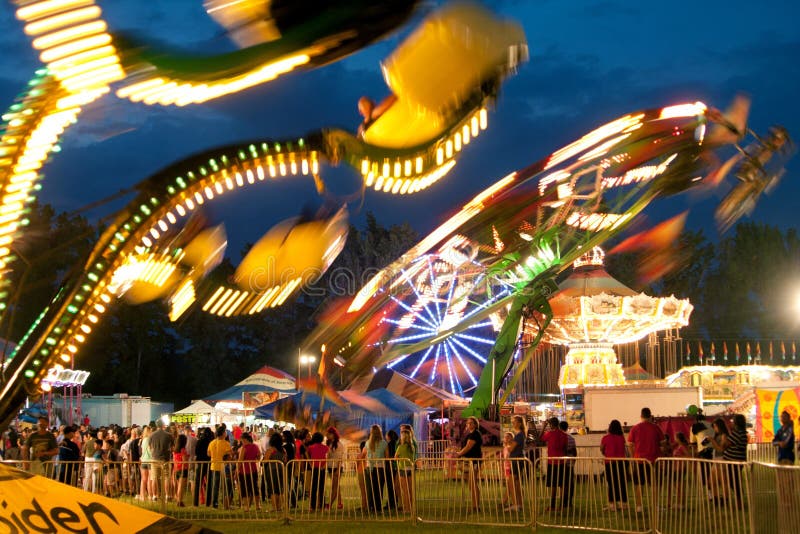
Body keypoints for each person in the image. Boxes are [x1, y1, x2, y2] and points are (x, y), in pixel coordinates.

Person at [627, 407, 664, 513]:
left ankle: (639, 506)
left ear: (641, 416)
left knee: (639, 484)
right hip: (654, 460)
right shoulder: (656, 428)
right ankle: (655, 506)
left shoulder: (635, 428)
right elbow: (662, 444)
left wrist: (633, 456)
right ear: (650, 416)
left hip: (639, 460)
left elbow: (630, 444)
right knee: (655, 484)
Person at [454, 416, 482, 512]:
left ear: (475, 424)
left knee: (473, 482)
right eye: (467, 423)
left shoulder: (475, 434)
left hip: (473, 460)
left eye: (471, 423)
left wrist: (459, 454)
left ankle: (476, 506)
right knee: (470, 483)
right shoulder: (469, 434)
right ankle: (474, 504)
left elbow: (468, 446)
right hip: (467, 460)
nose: (469, 425)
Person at [541, 417, 568, 512]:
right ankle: (562, 505)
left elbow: (540, 440)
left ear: (551, 425)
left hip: (552, 462)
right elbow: (565, 447)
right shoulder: (564, 435)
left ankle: (552, 506)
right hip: (561, 461)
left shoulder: (550, 434)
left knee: (553, 485)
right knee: (562, 484)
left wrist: (543, 427)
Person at [600, 419, 628, 511]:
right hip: (621, 462)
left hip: (610, 462)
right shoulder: (621, 438)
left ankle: (612, 504)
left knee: (611, 483)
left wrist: (606, 454)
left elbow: (602, 449)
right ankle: (623, 503)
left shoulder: (605, 438)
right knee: (622, 483)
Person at [207, 426, 233, 509]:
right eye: (225, 432)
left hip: (213, 466)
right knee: (225, 486)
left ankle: (214, 503)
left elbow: (208, 454)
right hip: (223, 466)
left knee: (215, 486)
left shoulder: (212, 442)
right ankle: (225, 502)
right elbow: (230, 454)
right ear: (222, 434)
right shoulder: (226, 443)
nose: (226, 433)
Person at [505, 415, 526, 512]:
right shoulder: (520, 435)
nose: (513, 423)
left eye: (514, 422)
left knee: (512, 482)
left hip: (516, 460)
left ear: (520, 423)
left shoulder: (519, 436)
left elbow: (511, 448)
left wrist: (507, 444)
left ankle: (515, 504)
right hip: (517, 459)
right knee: (516, 483)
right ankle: (519, 504)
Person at [365, 424, 388, 513]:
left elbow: (366, 454)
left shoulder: (367, 443)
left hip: (369, 466)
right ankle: (378, 507)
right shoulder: (384, 443)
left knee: (370, 488)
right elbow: (387, 456)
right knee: (379, 487)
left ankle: (371, 506)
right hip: (380, 467)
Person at [148, 420, 173, 501]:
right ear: (163, 425)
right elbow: (172, 447)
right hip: (165, 459)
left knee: (154, 478)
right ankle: (167, 495)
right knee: (166, 478)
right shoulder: (169, 435)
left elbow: (150, 447)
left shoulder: (151, 435)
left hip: (154, 458)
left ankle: (155, 496)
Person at [237, 432, 262, 512]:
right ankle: (257, 505)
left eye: (242, 440)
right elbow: (259, 456)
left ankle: (246, 507)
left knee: (245, 488)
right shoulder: (255, 446)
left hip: (244, 470)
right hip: (253, 469)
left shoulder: (244, 448)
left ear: (244, 439)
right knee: (254, 487)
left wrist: (236, 471)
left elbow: (240, 460)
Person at [306, 431, 329, 511]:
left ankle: (312, 506)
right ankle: (321, 505)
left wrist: (310, 464)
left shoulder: (311, 447)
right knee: (321, 487)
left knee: (313, 488)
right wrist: (324, 465)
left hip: (314, 468)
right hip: (322, 468)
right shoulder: (326, 447)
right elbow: (327, 458)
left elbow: (308, 456)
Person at [262, 432, 285, 512]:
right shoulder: (283, 450)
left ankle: (275, 508)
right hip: (281, 469)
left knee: (273, 490)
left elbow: (265, 461)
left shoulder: (270, 450)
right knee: (280, 489)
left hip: (272, 470)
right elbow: (285, 460)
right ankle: (279, 507)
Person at [395, 429, 415, 512]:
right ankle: (412, 507)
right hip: (410, 468)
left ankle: (407, 508)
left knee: (405, 491)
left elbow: (395, 457)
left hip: (403, 469)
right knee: (411, 490)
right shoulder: (412, 447)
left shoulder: (400, 447)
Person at [326, 426, 344, 510]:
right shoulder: (330, 443)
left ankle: (329, 504)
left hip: (336, 467)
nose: (328, 435)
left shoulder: (339, 444)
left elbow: (340, 458)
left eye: (329, 434)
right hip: (330, 466)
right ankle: (340, 503)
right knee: (336, 485)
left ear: (333, 434)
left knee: (335, 486)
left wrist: (338, 469)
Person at [559, 421, 577, 508]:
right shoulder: (571, 438)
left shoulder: (559, 437)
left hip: (561, 463)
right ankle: (569, 502)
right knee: (570, 483)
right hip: (570, 463)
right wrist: (573, 462)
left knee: (563, 484)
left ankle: (563, 501)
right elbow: (574, 452)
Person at [193, 427, 212, 507]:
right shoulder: (211, 442)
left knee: (198, 484)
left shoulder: (199, 441)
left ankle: (196, 502)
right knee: (209, 483)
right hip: (209, 463)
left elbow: (196, 452)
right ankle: (208, 502)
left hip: (200, 463)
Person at [172, 434, 189, 507]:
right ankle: (180, 501)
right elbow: (184, 460)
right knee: (181, 487)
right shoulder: (183, 450)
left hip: (176, 469)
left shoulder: (175, 450)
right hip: (183, 469)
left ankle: (178, 499)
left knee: (179, 485)